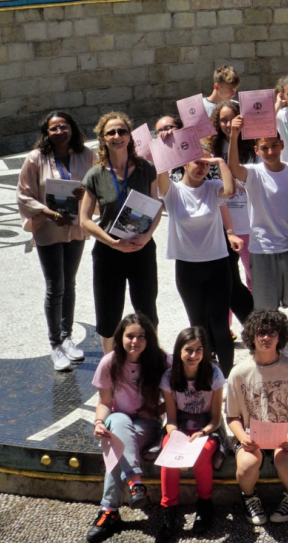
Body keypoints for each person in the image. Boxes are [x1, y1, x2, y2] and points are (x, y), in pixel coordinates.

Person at [225, 116, 288, 368]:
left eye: (274, 145)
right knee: (265, 313)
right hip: (262, 250)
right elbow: (233, 166)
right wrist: (234, 134)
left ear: (281, 145)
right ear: (256, 150)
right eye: (264, 147)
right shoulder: (253, 172)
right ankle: (269, 356)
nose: (270, 151)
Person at [17, 111, 96, 371]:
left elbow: (95, 184)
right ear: (46, 133)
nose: (59, 132)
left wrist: (86, 194)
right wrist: (51, 213)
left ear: (72, 128)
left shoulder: (86, 155)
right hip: (49, 228)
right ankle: (55, 345)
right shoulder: (35, 158)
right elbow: (24, 195)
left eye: (63, 127)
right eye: (53, 129)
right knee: (55, 285)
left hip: (75, 228)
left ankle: (67, 337)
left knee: (70, 283)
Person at [80, 112, 162, 353]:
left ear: (130, 136)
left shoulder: (146, 168)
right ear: (103, 139)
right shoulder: (95, 175)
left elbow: (156, 207)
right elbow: (85, 220)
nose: (117, 136)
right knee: (108, 312)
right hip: (109, 253)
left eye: (122, 131)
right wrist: (112, 243)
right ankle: (110, 366)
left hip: (142, 249)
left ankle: (151, 361)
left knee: (147, 309)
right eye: (111, 132)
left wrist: (146, 237)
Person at [226, 309, 288, 526]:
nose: (266, 338)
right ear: (251, 336)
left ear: (280, 336)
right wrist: (242, 438)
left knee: (284, 460)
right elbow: (232, 416)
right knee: (247, 464)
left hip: (285, 434)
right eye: (261, 333)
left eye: (272, 333)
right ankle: (249, 497)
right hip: (250, 436)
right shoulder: (238, 373)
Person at [88, 313, 169, 543]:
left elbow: (181, 392)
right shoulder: (110, 362)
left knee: (116, 446)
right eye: (130, 336)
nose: (135, 341)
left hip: (147, 425)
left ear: (149, 339)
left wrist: (157, 411)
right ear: (121, 337)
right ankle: (135, 484)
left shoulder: (160, 359)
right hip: (118, 422)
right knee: (120, 421)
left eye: (141, 336)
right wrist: (99, 423)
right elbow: (104, 403)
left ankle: (108, 512)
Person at [162, 148, 237, 372]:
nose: (203, 168)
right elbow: (161, 176)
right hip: (187, 267)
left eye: (206, 164)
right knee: (197, 325)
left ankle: (227, 377)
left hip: (217, 264)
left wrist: (219, 162)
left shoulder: (213, 188)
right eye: (198, 163)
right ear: (184, 164)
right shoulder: (173, 190)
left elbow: (230, 190)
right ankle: (204, 376)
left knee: (220, 326)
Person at [157, 327, 224, 540]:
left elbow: (216, 418)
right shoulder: (169, 377)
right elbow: (170, 419)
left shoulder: (214, 374)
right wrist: (176, 436)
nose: (193, 355)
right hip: (180, 428)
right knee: (169, 455)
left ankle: (205, 504)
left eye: (199, 350)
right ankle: (169, 512)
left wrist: (202, 433)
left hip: (207, 429)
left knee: (201, 454)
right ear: (179, 351)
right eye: (188, 350)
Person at [209, 100, 257, 327]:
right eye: (223, 120)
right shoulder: (213, 150)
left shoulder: (253, 147)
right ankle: (225, 330)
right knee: (226, 281)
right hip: (222, 226)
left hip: (248, 224)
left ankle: (257, 325)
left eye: (232, 118)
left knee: (252, 280)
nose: (228, 124)